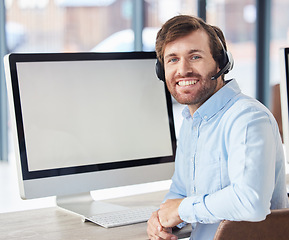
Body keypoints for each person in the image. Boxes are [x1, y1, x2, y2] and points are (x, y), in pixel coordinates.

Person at [147, 15, 289, 240]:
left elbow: (250, 202)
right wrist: (160, 219)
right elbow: (180, 192)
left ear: (221, 63)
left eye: (195, 56)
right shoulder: (191, 123)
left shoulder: (247, 118)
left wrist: (182, 209)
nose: (183, 70)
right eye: (172, 59)